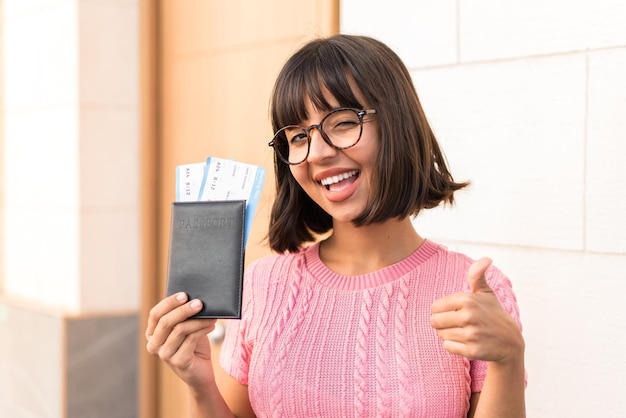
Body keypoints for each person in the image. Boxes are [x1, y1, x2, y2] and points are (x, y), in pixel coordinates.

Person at [145, 34, 526, 417]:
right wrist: (200, 385)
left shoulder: (474, 292)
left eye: (343, 122)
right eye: (297, 136)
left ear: (397, 125)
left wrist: (508, 359)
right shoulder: (262, 286)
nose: (319, 152)